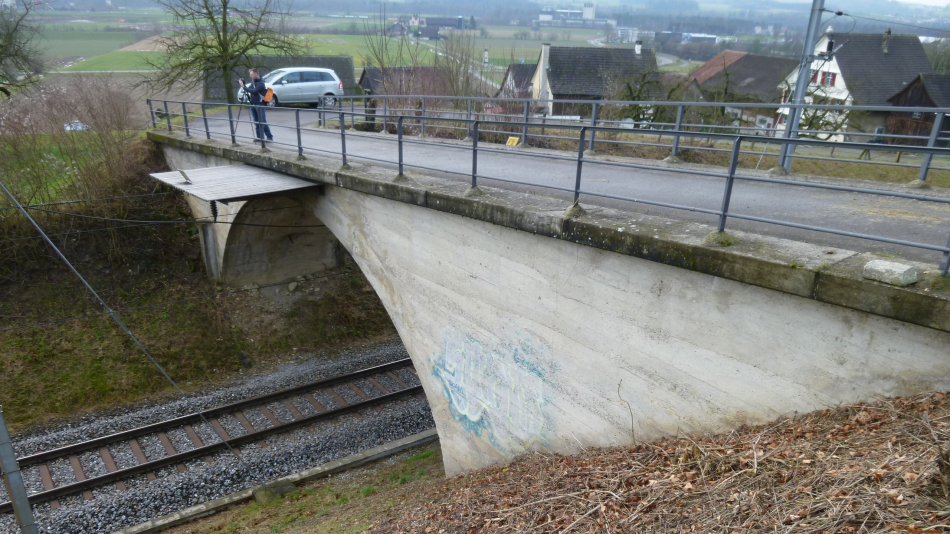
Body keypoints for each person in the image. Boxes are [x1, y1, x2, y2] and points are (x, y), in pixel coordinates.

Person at [238, 68, 273, 142]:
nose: (250, 76)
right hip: (253, 104)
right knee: (256, 121)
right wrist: (243, 85)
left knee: (262, 121)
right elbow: (249, 89)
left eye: (251, 74)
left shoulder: (260, 83)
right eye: (250, 75)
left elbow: (253, 91)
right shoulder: (253, 82)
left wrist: (243, 87)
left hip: (259, 104)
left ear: (256, 74)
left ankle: (269, 137)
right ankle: (259, 137)